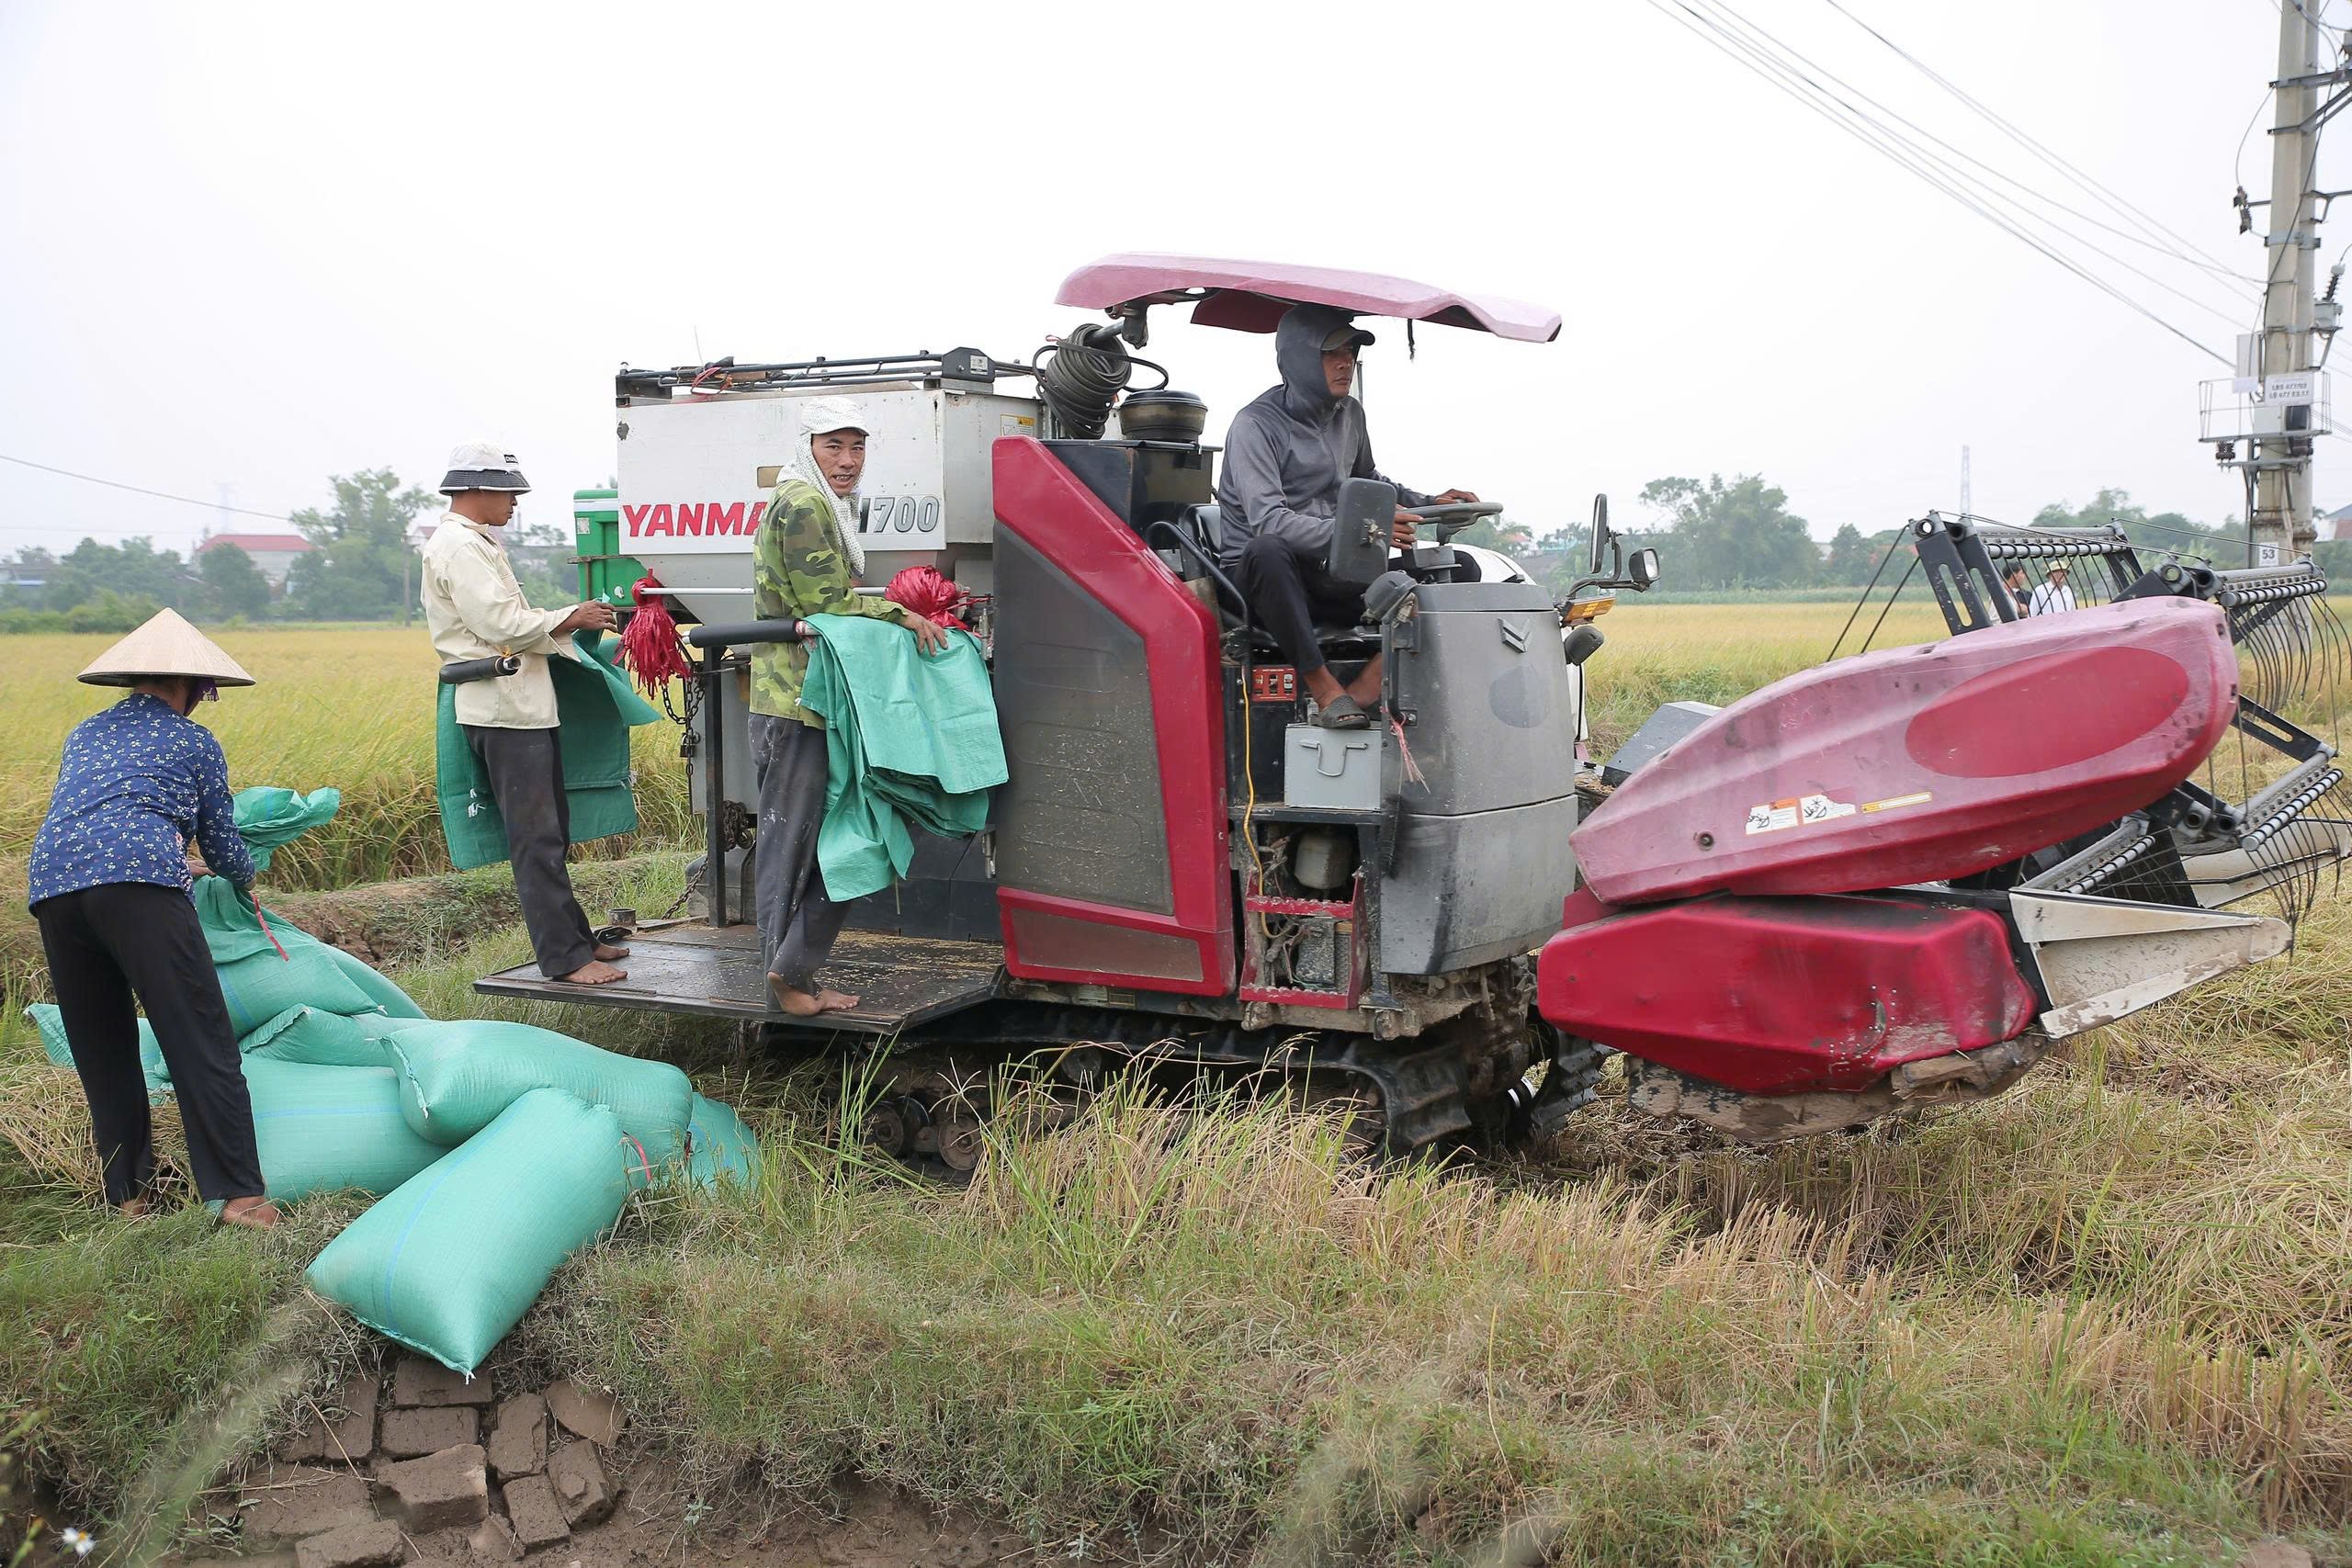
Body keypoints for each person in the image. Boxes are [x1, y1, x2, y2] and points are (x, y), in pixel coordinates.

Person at [27, 610, 279, 1229]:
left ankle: (130, 1202)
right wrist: (243, 876)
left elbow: (104, 813)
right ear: (191, 685)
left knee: (103, 1048)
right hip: (137, 886)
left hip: (56, 883)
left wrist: (171, 858)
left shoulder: (84, 733)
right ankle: (243, 1200)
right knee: (199, 1038)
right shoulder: (195, 741)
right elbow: (221, 843)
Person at [750, 397, 949, 1016]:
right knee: (793, 843)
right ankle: (783, 981)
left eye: (857, 446)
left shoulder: (820, 502)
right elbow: (829, 603)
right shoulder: (804, 504)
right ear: (808, 446)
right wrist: (903, 613)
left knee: (817, 840)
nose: (847, 460)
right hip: (794, 701)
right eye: (833, 446)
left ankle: (793, 975)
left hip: (811, 699)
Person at [419, 442, 630, 986]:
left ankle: (577, 941)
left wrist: (577, 632)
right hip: (501, 709)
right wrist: (574, 615)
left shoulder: (478, 544)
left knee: (550, 831)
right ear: (474, 490)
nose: (515, 503)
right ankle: (564, 959)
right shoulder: (461, 549)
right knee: (535, 838)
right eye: (508, 493)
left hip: (521, 707)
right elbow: (505, 626)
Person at [1216, 303, 1478, 729]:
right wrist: (1356, 530)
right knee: (1268, 550)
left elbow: (1368, 480)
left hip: (1334, 573)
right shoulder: (1255, 425)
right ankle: (1324, 689)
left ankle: (1366, 688)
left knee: (1459, 569)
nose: (1346, 363)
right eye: (1332, 352)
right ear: (1299, 358)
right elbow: (1269, 521)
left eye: (1352, 352)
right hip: (1267, 584)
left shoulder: (1350, 415)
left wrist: (1431, 501)